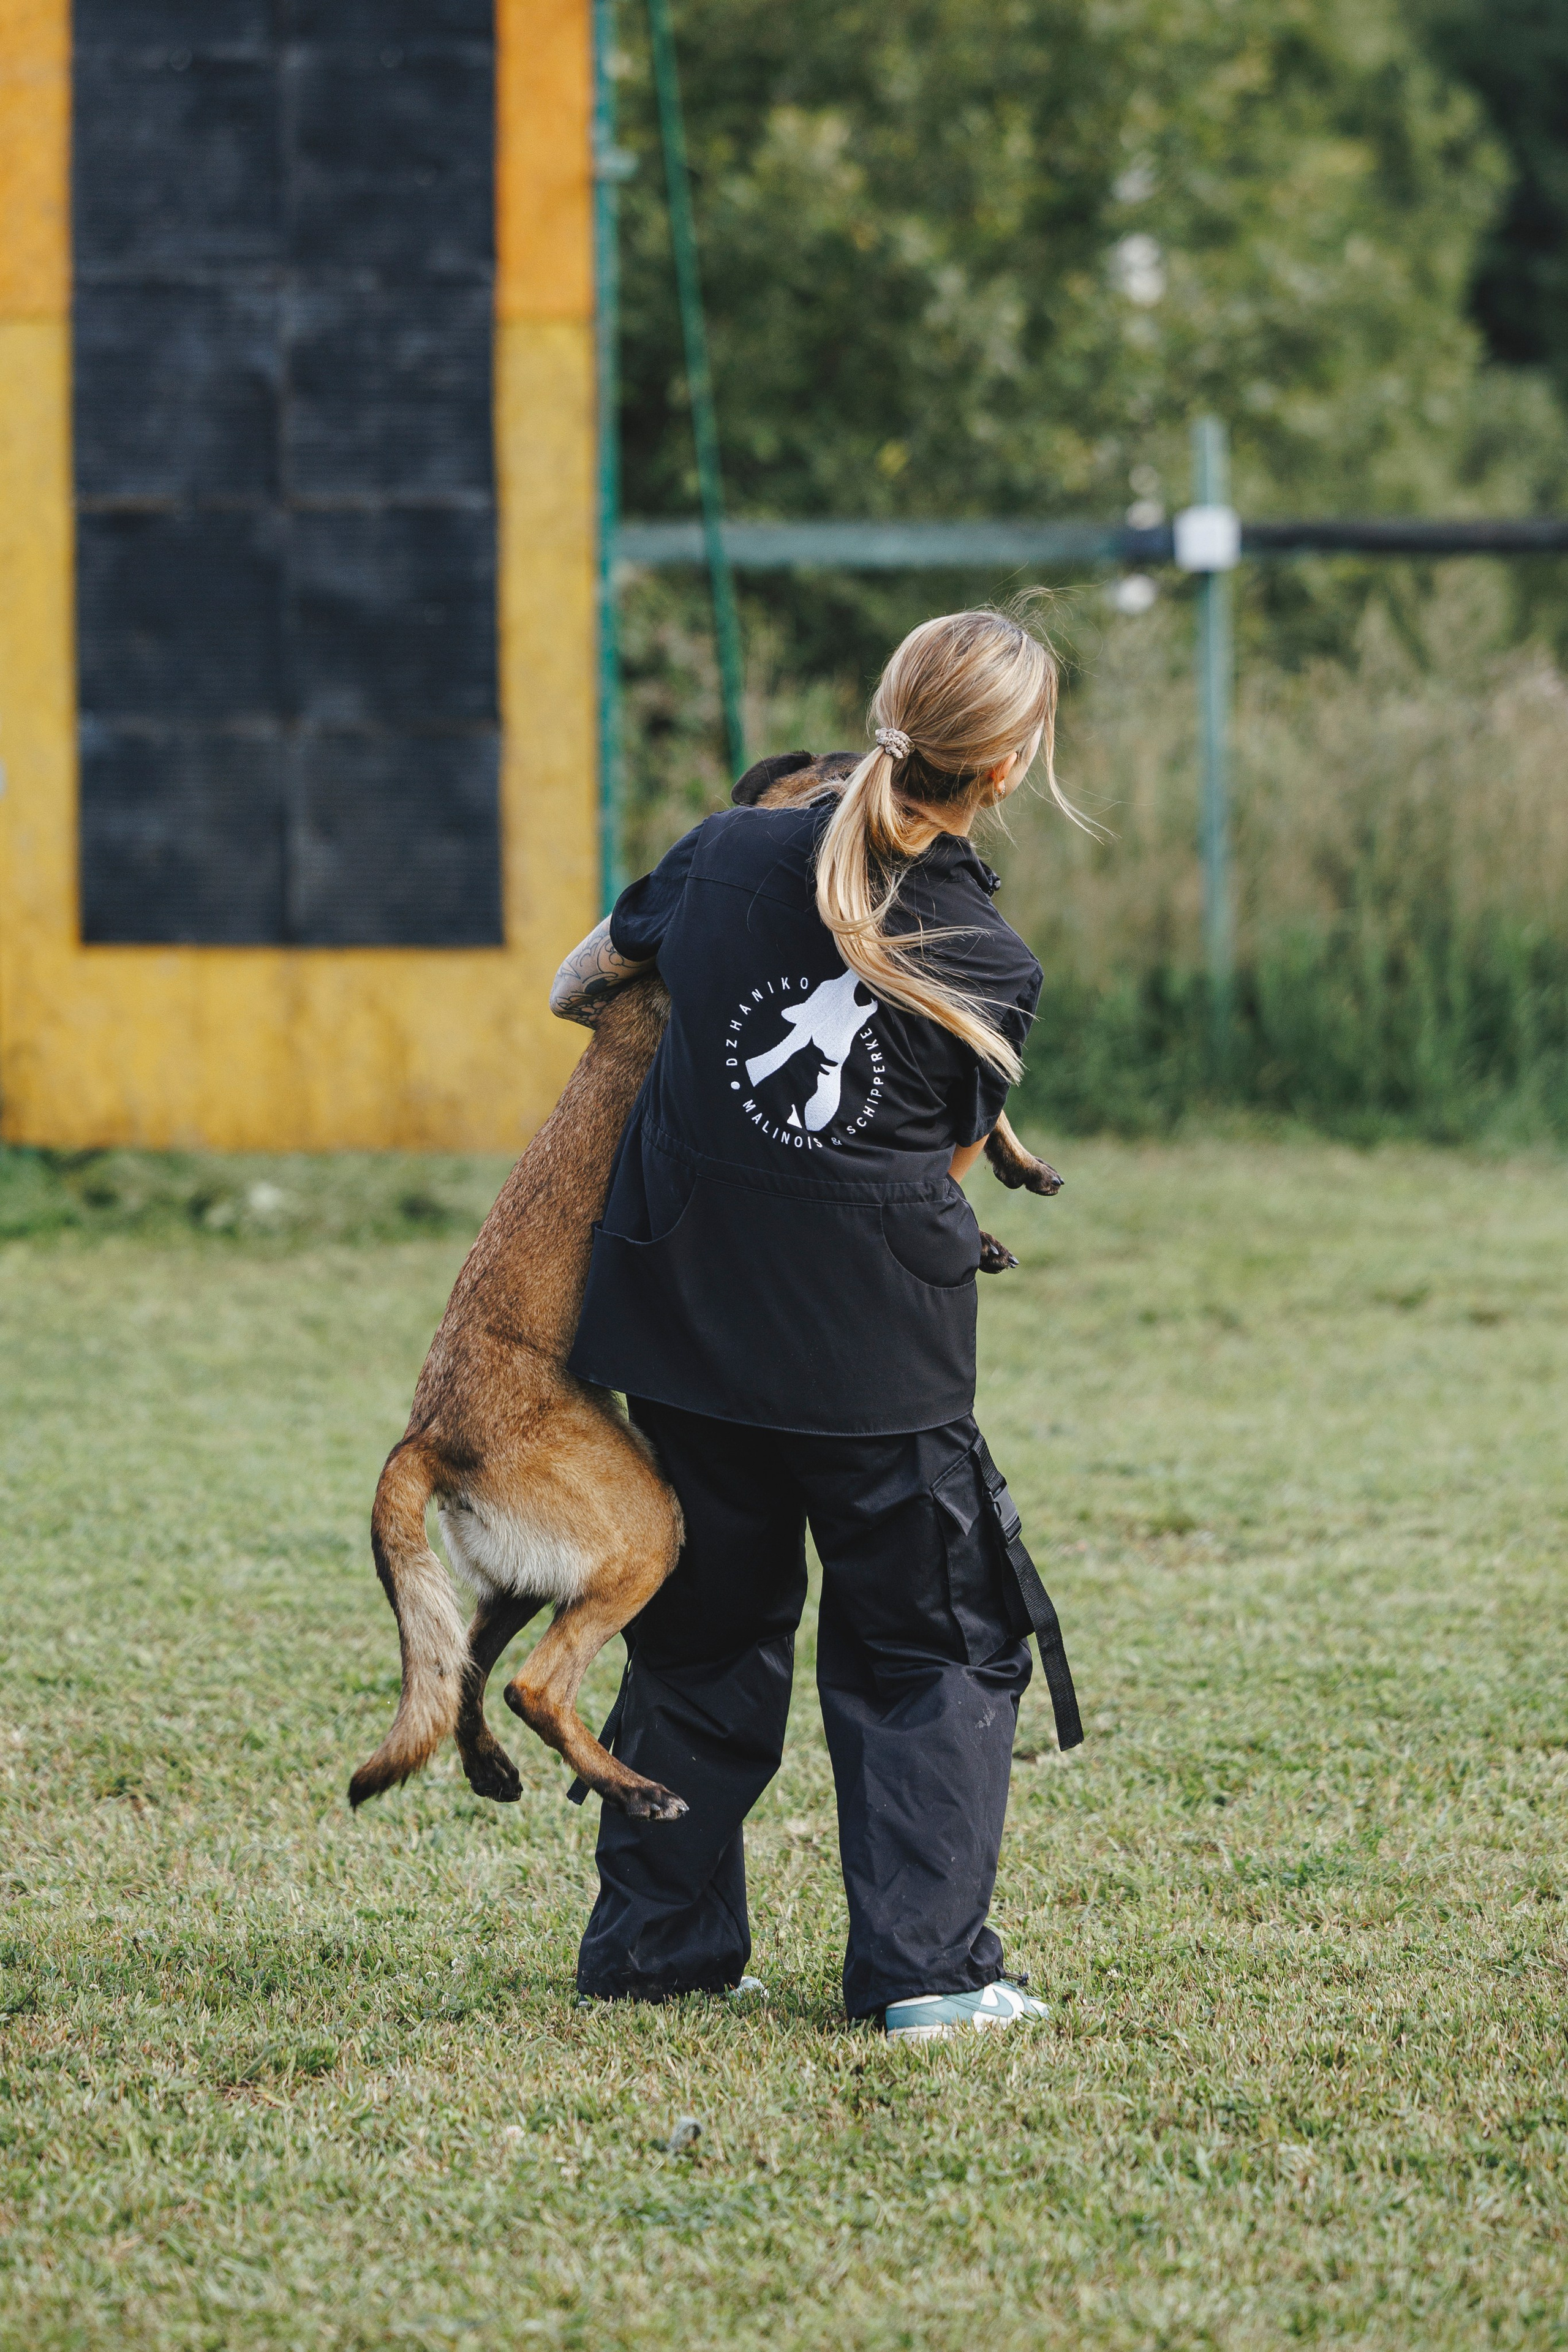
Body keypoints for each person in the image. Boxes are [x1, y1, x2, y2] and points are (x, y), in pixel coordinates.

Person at [548, 604, 1084, 2041]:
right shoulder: (990, 959)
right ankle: (925, 1975)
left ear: (880, 711)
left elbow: (576, 985)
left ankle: (655, 1954)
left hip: (680, 1337)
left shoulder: (722, 852)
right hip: (873, 1366)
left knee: (697, 1639)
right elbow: (937, 1167)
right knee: (933, 1645)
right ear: (1008, 769)